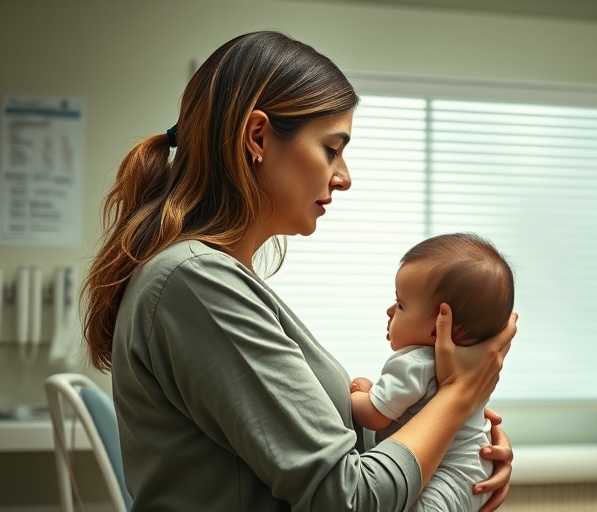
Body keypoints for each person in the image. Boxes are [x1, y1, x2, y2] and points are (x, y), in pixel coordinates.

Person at [82, 31, 516, 512]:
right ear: (258, 136)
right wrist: (457, 397)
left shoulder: (210, 279)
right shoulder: (197, 283)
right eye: (331, 149)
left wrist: (458, 457)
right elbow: (350, 499)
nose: (344, 176)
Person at [350, 232, 515, 512]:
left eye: (401, 305)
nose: (390, 310)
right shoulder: (460, 369)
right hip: (474, 471)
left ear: (444, 326)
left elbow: (375, 416)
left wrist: (359, 392)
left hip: (446, 477)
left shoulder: (414, 362)